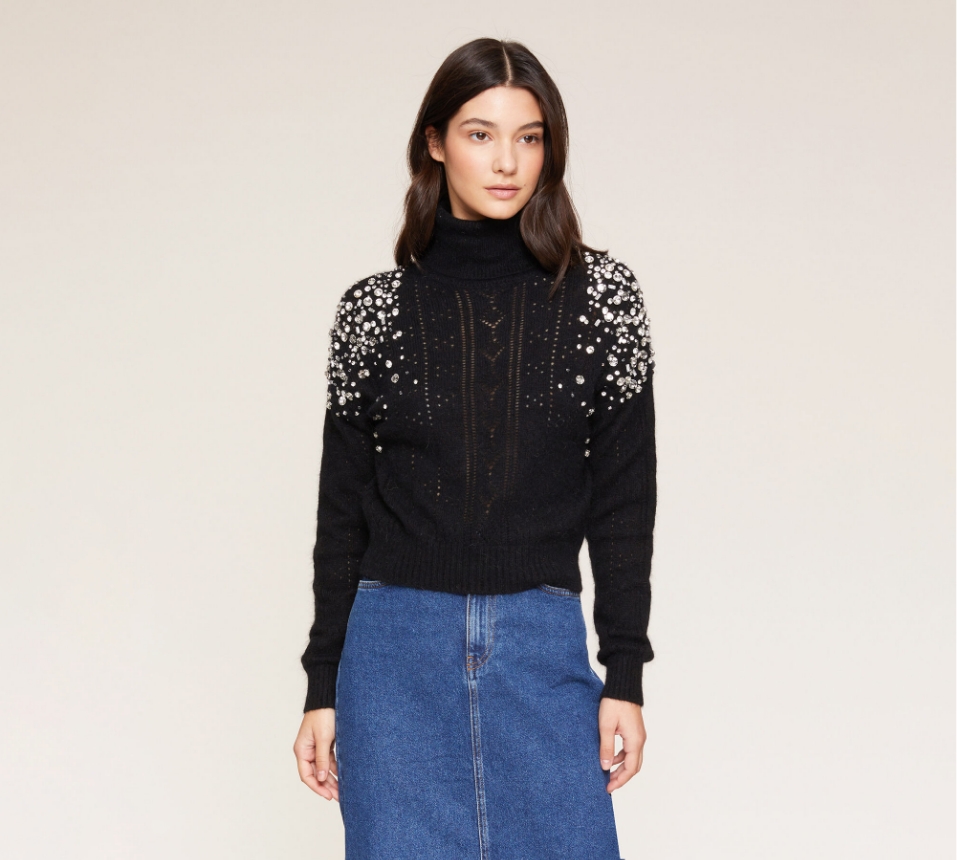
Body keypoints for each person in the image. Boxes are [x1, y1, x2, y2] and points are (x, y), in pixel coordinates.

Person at [293, 36, 657, 859]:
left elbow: (625, 501)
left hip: (539, 638)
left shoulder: (604, 301)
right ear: (434, 142)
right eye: (479, 133)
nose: (506, 162)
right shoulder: (372, 313)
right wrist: (322, 685)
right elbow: (340, 512)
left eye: (528, 137)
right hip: (393, 652)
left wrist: (624, 674)